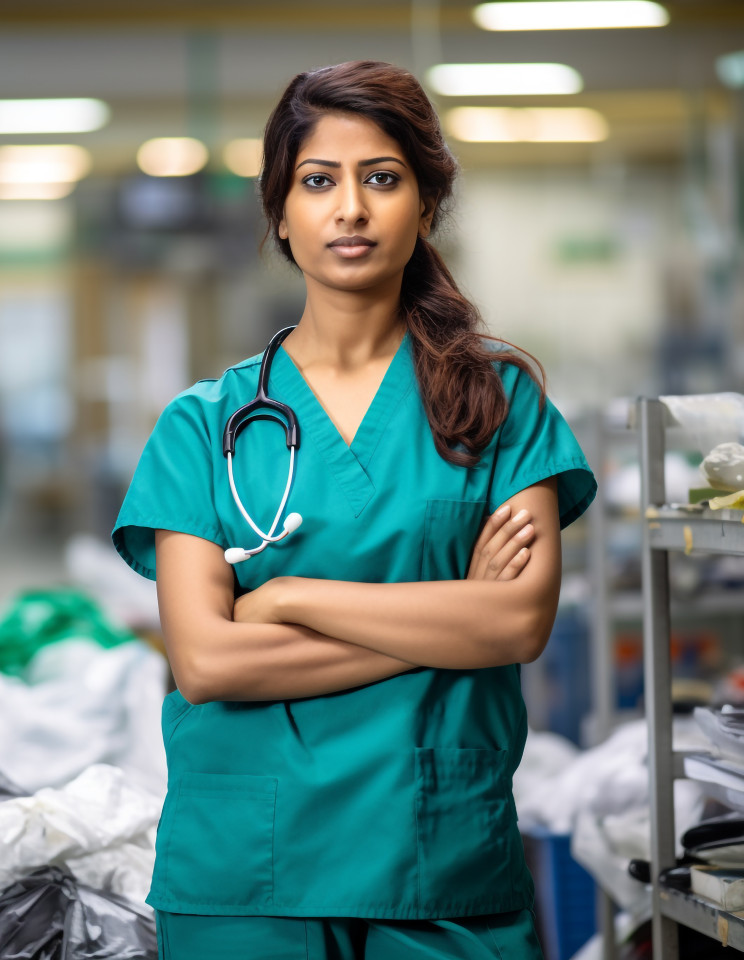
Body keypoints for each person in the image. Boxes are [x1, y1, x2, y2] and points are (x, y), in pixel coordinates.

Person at [112, 60, 597, 960]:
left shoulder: (497, 405)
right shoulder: (201, 428)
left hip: (438, 859)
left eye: (382, 178)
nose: (351, 209)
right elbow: (209, 660)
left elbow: (518, 622)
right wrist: (451, 617)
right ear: (281, 213)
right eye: (317, 181)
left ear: (425, 203)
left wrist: (288, 599)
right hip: (247, 875)